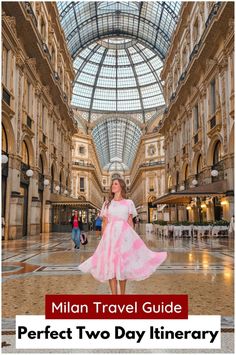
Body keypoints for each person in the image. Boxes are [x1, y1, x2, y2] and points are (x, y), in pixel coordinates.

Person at [78, 178, 167, 294]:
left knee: (122, 267)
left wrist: (132, 239)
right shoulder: (107, 203)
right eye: (112, 184)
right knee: (111, 268)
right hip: (110, 238)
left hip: (124, 238)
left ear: (121, 186)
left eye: (115, 183)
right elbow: (104, 222)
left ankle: (122, 295)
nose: (112, 185)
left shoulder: (129, 203)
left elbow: (130, 222)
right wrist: (104, 240)